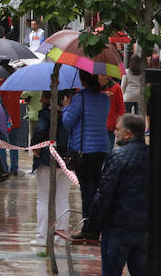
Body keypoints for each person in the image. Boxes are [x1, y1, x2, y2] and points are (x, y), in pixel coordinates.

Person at [91, 114, 161, 275]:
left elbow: (104, 195)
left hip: (117, 228)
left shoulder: (117, 156)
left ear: (128, 134)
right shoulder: (156, 158)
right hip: (145, 228)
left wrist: (96, 223)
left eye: (118, 129)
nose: (114, 132)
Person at [61, 70, 111, 240]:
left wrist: (66, 107)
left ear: (83, 79)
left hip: (84, 151)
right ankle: (98, 226)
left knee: (87, 192)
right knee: (99, 190)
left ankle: (89, 229)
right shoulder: (105, 99)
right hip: (102, 149)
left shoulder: (79, 99)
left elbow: (68, 122)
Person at [30, 91, 71, 247]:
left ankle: (41, 237)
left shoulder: (46, 114)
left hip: (48, 159)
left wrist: (35, 145)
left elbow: (40, 129)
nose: (40, 100)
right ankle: (61, 237)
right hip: (67, 161)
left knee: (43, 198)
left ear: (49, 99)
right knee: (62, 199)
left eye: (43, 97)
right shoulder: (69, 112)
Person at [99, 73, 126, 149]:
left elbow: (120, 108)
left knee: (108, 152)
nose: (101, 73)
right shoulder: (93, 88)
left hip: (109, 127)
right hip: (95, 126)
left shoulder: (116, 87)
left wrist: (120, 125)